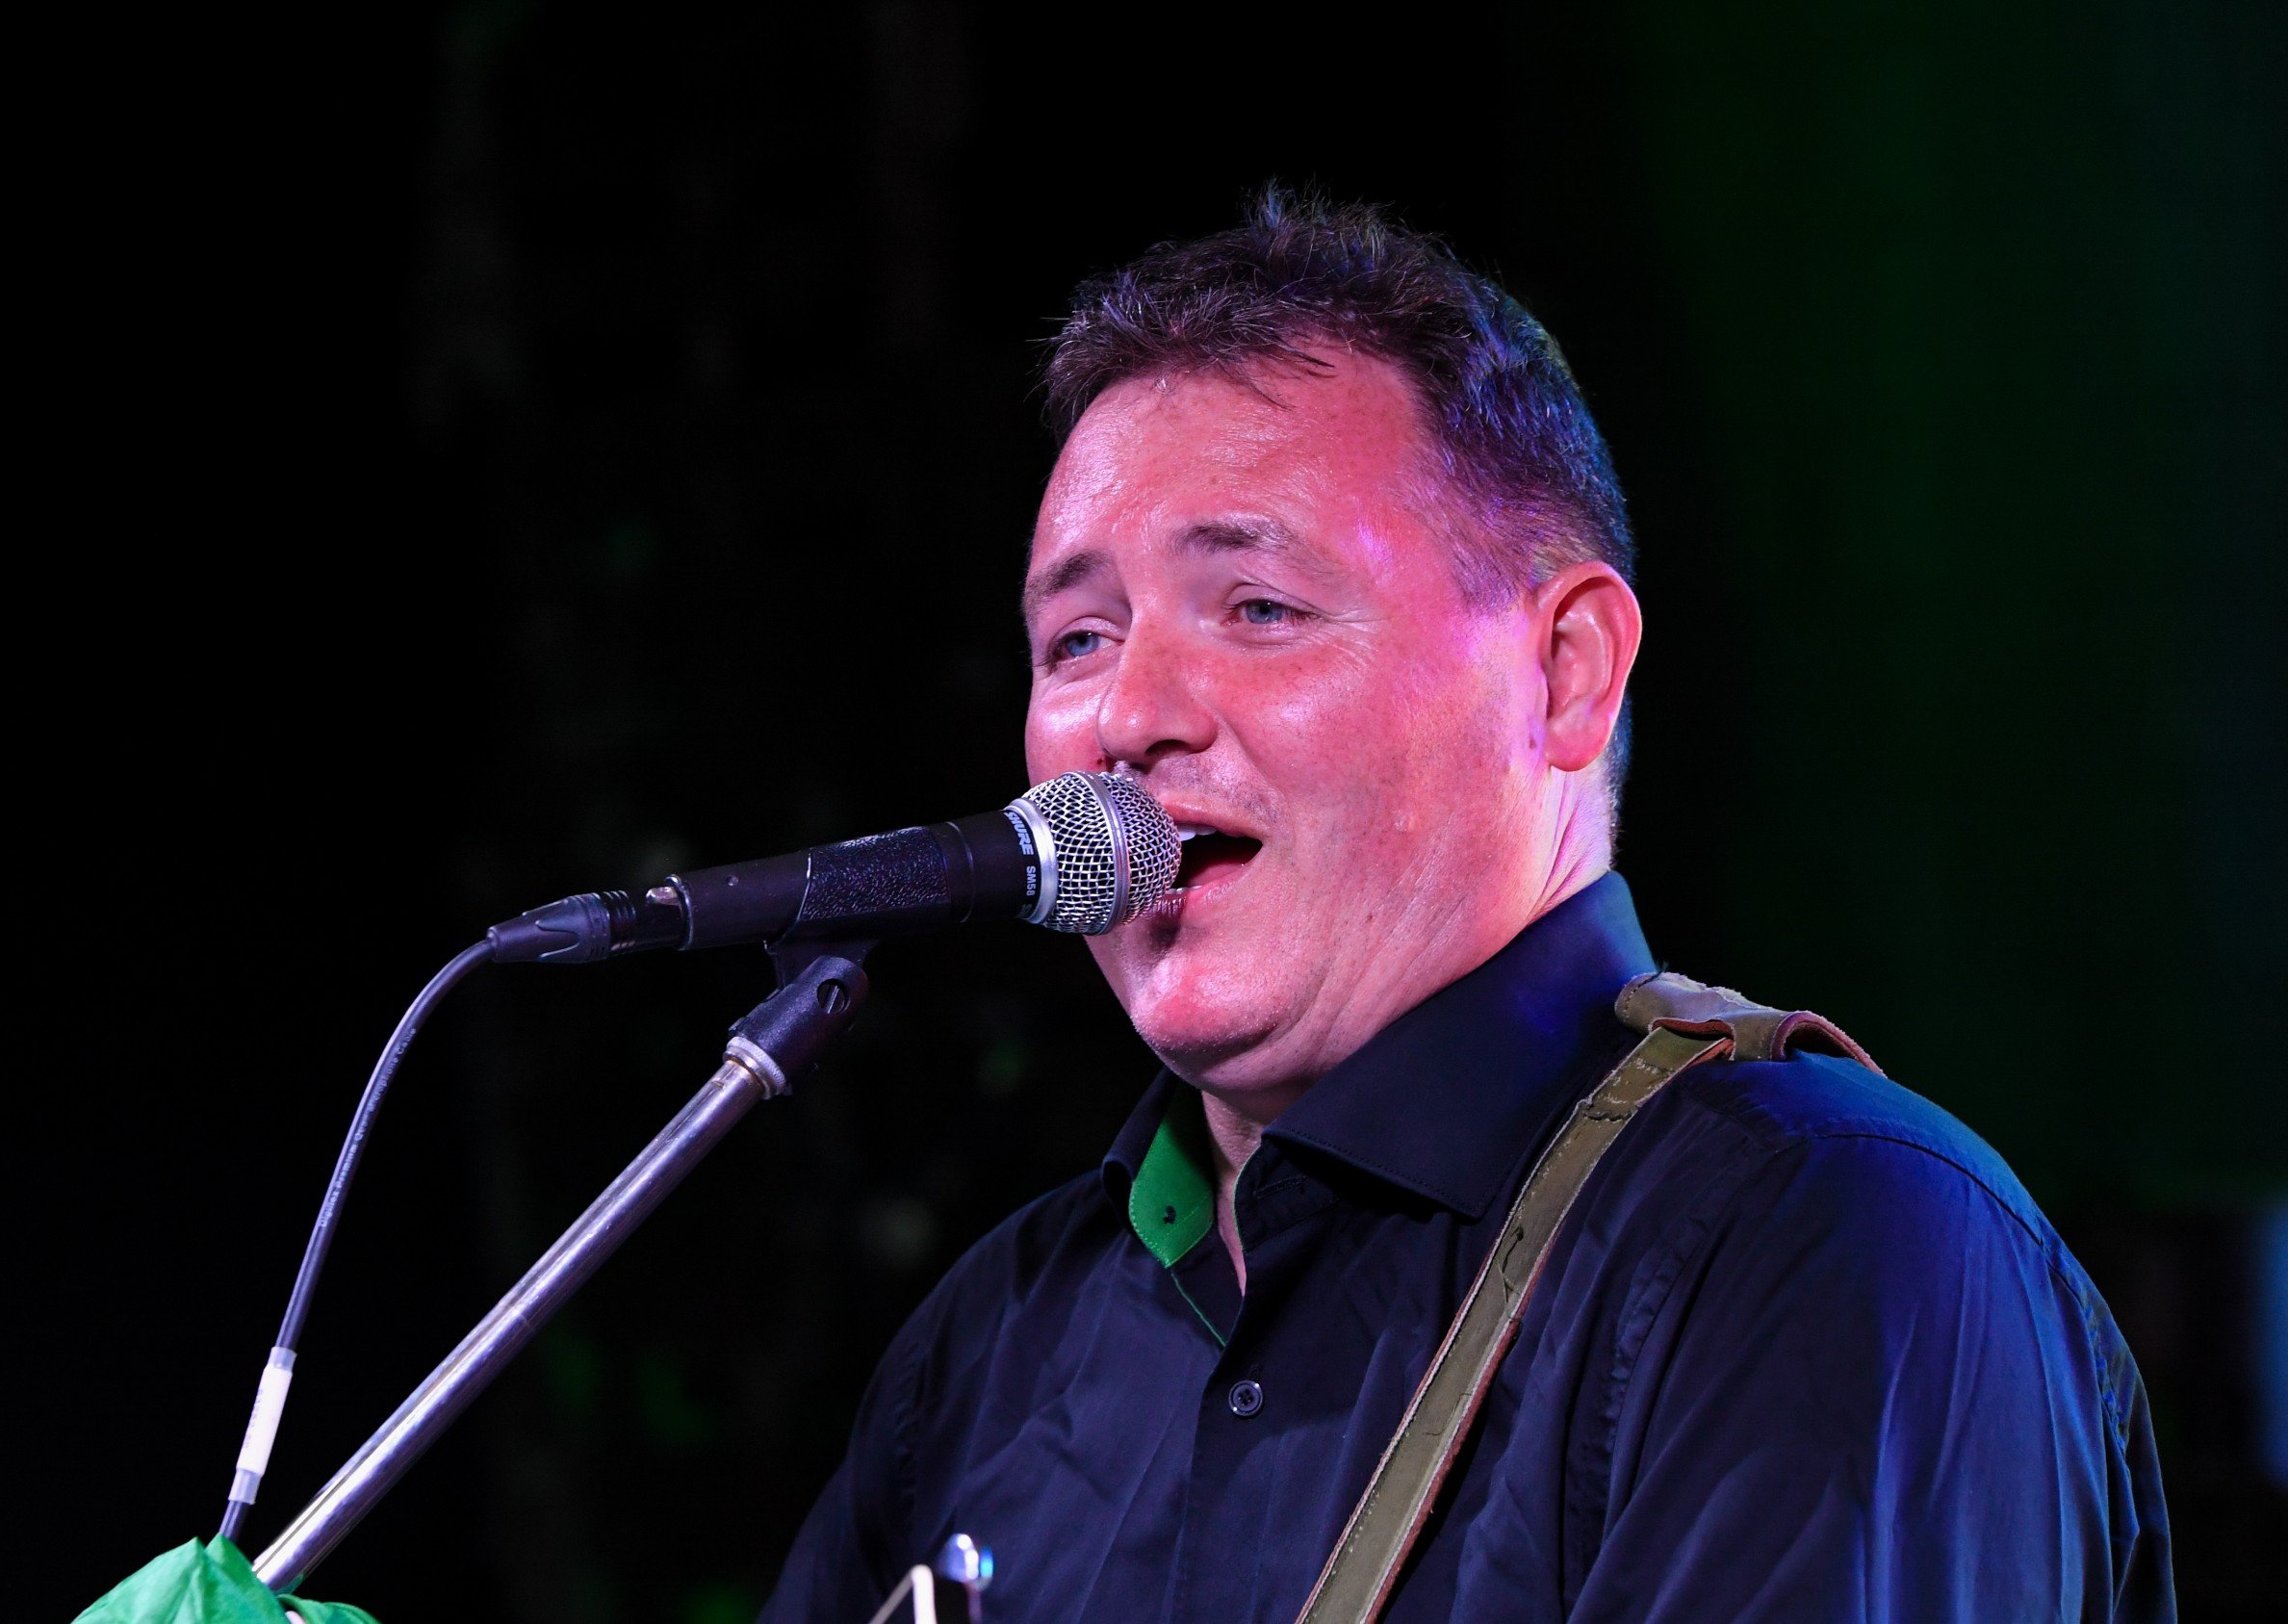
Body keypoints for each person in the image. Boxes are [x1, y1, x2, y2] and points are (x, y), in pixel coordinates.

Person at [758, 193, 2173, 1623]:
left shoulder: (1820, 1238)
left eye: (1257, 608)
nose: (1125, 715)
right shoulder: (988, 1351)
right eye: (1077, 639)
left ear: (1566, 672)